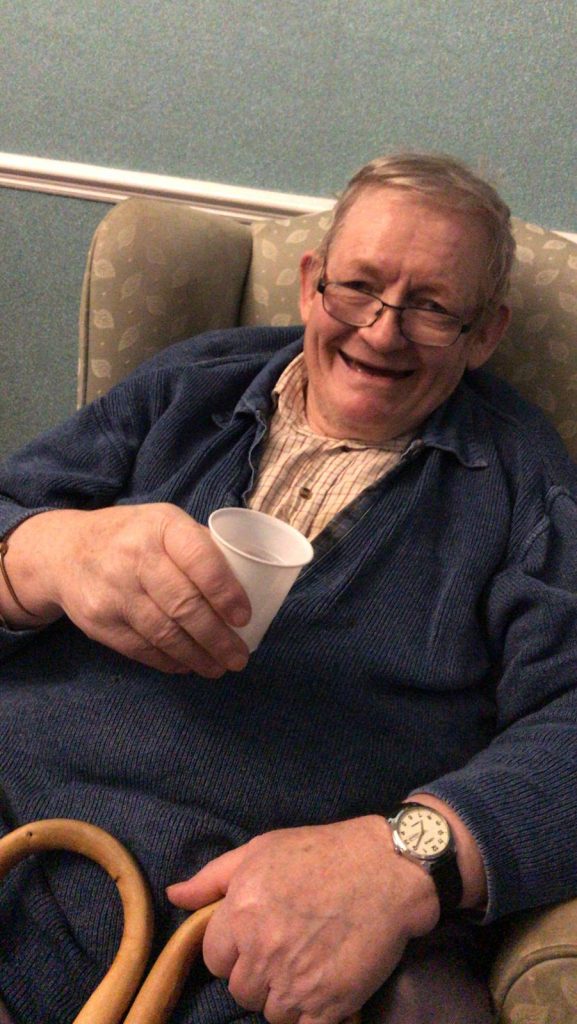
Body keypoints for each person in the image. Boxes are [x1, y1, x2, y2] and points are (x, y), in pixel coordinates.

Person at [0, 152, 576, 1024]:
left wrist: (405, 857)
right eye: (358, 288)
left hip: (243, 948)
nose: (380, 332)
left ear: (484, 333)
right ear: (311, 285)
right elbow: (17, 510)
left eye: (429, 307)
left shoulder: (525, 486)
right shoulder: (192, 382)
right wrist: (45, 552)